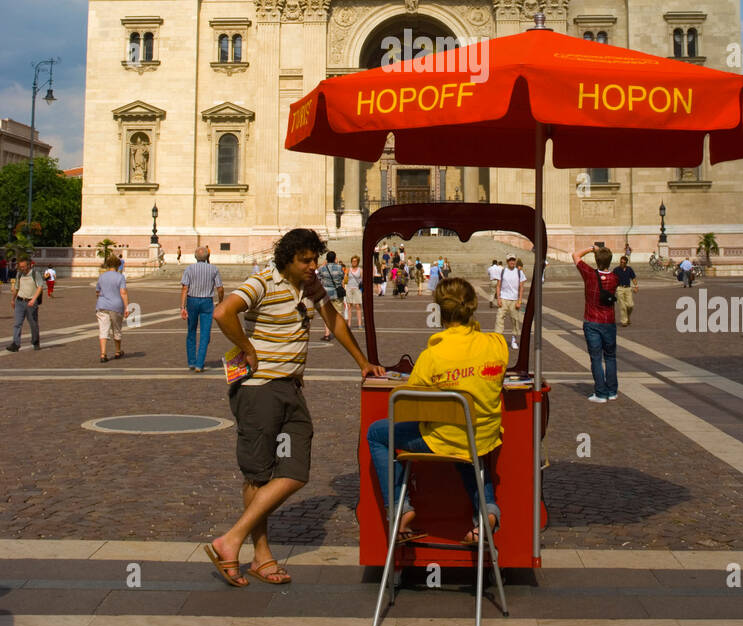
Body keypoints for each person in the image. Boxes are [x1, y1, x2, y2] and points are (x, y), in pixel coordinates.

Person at [206, 228, 383, 587]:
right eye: (306, 260)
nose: (313, 265)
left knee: (296, 470)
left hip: (290, 387)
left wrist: (362, 363)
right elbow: (224, 312)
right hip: (258, 389)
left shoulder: (311, 286)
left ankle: (231, 539)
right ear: (287, 258)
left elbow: (333, 318)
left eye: (315, 259)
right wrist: (247, 347)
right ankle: (260, 554)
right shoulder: (262, 282)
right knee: (258, 474)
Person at [366, 277, 507, 544]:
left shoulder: (432, 356)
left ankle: (399, 507)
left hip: (443, 439)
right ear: (473, 306)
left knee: (377, 433)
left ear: (440, 309)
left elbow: (413, 405)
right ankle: (487, 510)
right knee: (469, 449)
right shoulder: (497, 344)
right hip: (483, 436)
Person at [572, 245, 620, 402]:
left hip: (592, 321)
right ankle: (612, 391)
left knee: (596, 359)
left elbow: (575, 255)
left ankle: (600, 393)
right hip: (609, 322)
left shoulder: (590, 275)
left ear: (596, 260)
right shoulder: (615, 278)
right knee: (611, 357)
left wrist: (591, 248)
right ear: (610, 261)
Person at [180, 247, 225, 371]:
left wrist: (182, 307)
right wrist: (220, 301)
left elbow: (185, 288)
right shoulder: (213, 269)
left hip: (192, 300)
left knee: (191, 331)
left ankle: (191, 362)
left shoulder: (189, 268)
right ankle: (200, 364)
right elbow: (220, 288)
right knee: (205, 333)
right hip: (207, 301)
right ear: (207, 257)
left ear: (195, 257)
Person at [95, 254, 130, 362]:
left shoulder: (102, 277)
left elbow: (97, 291)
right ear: (118, 265)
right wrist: (126, 307)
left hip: (102, 305)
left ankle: (103, 354)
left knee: (103, 329)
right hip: (116, 306)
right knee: (117, 329)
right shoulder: (120, 277)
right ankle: (117, 351)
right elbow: (123, 292)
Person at [7, 257, 45, 351]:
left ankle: (35, 342)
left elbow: (40, 287)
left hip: (31, 303)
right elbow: (16, 287)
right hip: (19, 301)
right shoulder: (19, 274)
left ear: (29, 265)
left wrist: (33, 299)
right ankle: (16, 344)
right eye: (20, 267)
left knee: (33, 323)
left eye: (23, 266)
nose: (22, 268)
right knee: (17, 324)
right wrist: (13, 299)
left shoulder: (35, 274)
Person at [495, 254, 524, 352]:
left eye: (513, 260)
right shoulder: (502, 271)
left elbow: (521, 287)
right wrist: (498, 299)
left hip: (514, 300)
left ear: (515, 261)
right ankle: (498, 340)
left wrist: (519, 301)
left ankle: (514, 339)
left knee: (515, 320)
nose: (512, 262)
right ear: (507, 261)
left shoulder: (519, 272)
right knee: (499, 318)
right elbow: (498, 286)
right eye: (510, 260)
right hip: (503, 298)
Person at [316, 249, 346, 343]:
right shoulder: (339, 267)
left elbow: (318, 278)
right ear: (335, 258)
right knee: (338, 314)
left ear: (326, 259)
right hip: (337, 294)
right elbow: (342, 277)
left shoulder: (322, 268)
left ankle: (327, 334)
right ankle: (340, 333)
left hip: (326, 294)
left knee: (326, 315)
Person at [614, 254, 638, 327]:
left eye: (623, 262)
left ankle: (627, 317)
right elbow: (613, 279)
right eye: (621, 262)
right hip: (619, 289)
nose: (621, 263)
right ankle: (624, 321)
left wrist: (636, 286)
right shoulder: (616, 270)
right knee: (623, 306)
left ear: (626, 263)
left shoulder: (629, 269)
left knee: (630, 305)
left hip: (628, 289)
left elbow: (633, 278)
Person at [345, 255, 364, 331]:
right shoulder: (348, 269)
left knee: (358, 307)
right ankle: (349, 324)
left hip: (357, 289)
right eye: (353, 261)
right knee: (349, 307)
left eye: (355, 261)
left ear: (358, 262)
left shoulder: (360, 270)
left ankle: (359, 324)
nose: (354, 262)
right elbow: (345, 279)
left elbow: (363, 280)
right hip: (349, 289)